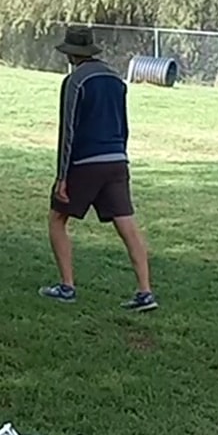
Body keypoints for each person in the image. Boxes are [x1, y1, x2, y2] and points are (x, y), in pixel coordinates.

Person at [39, 22, 157, 312]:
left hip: (85, 163)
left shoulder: (75, 81)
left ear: (71, 54)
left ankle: (67, 286)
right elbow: (124, 125)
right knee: (127, 225)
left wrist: (61, 177)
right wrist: (120, 155)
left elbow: (68, 132)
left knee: (57, 220)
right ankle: (145, 292)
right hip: (117, 160)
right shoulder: (117, 80)